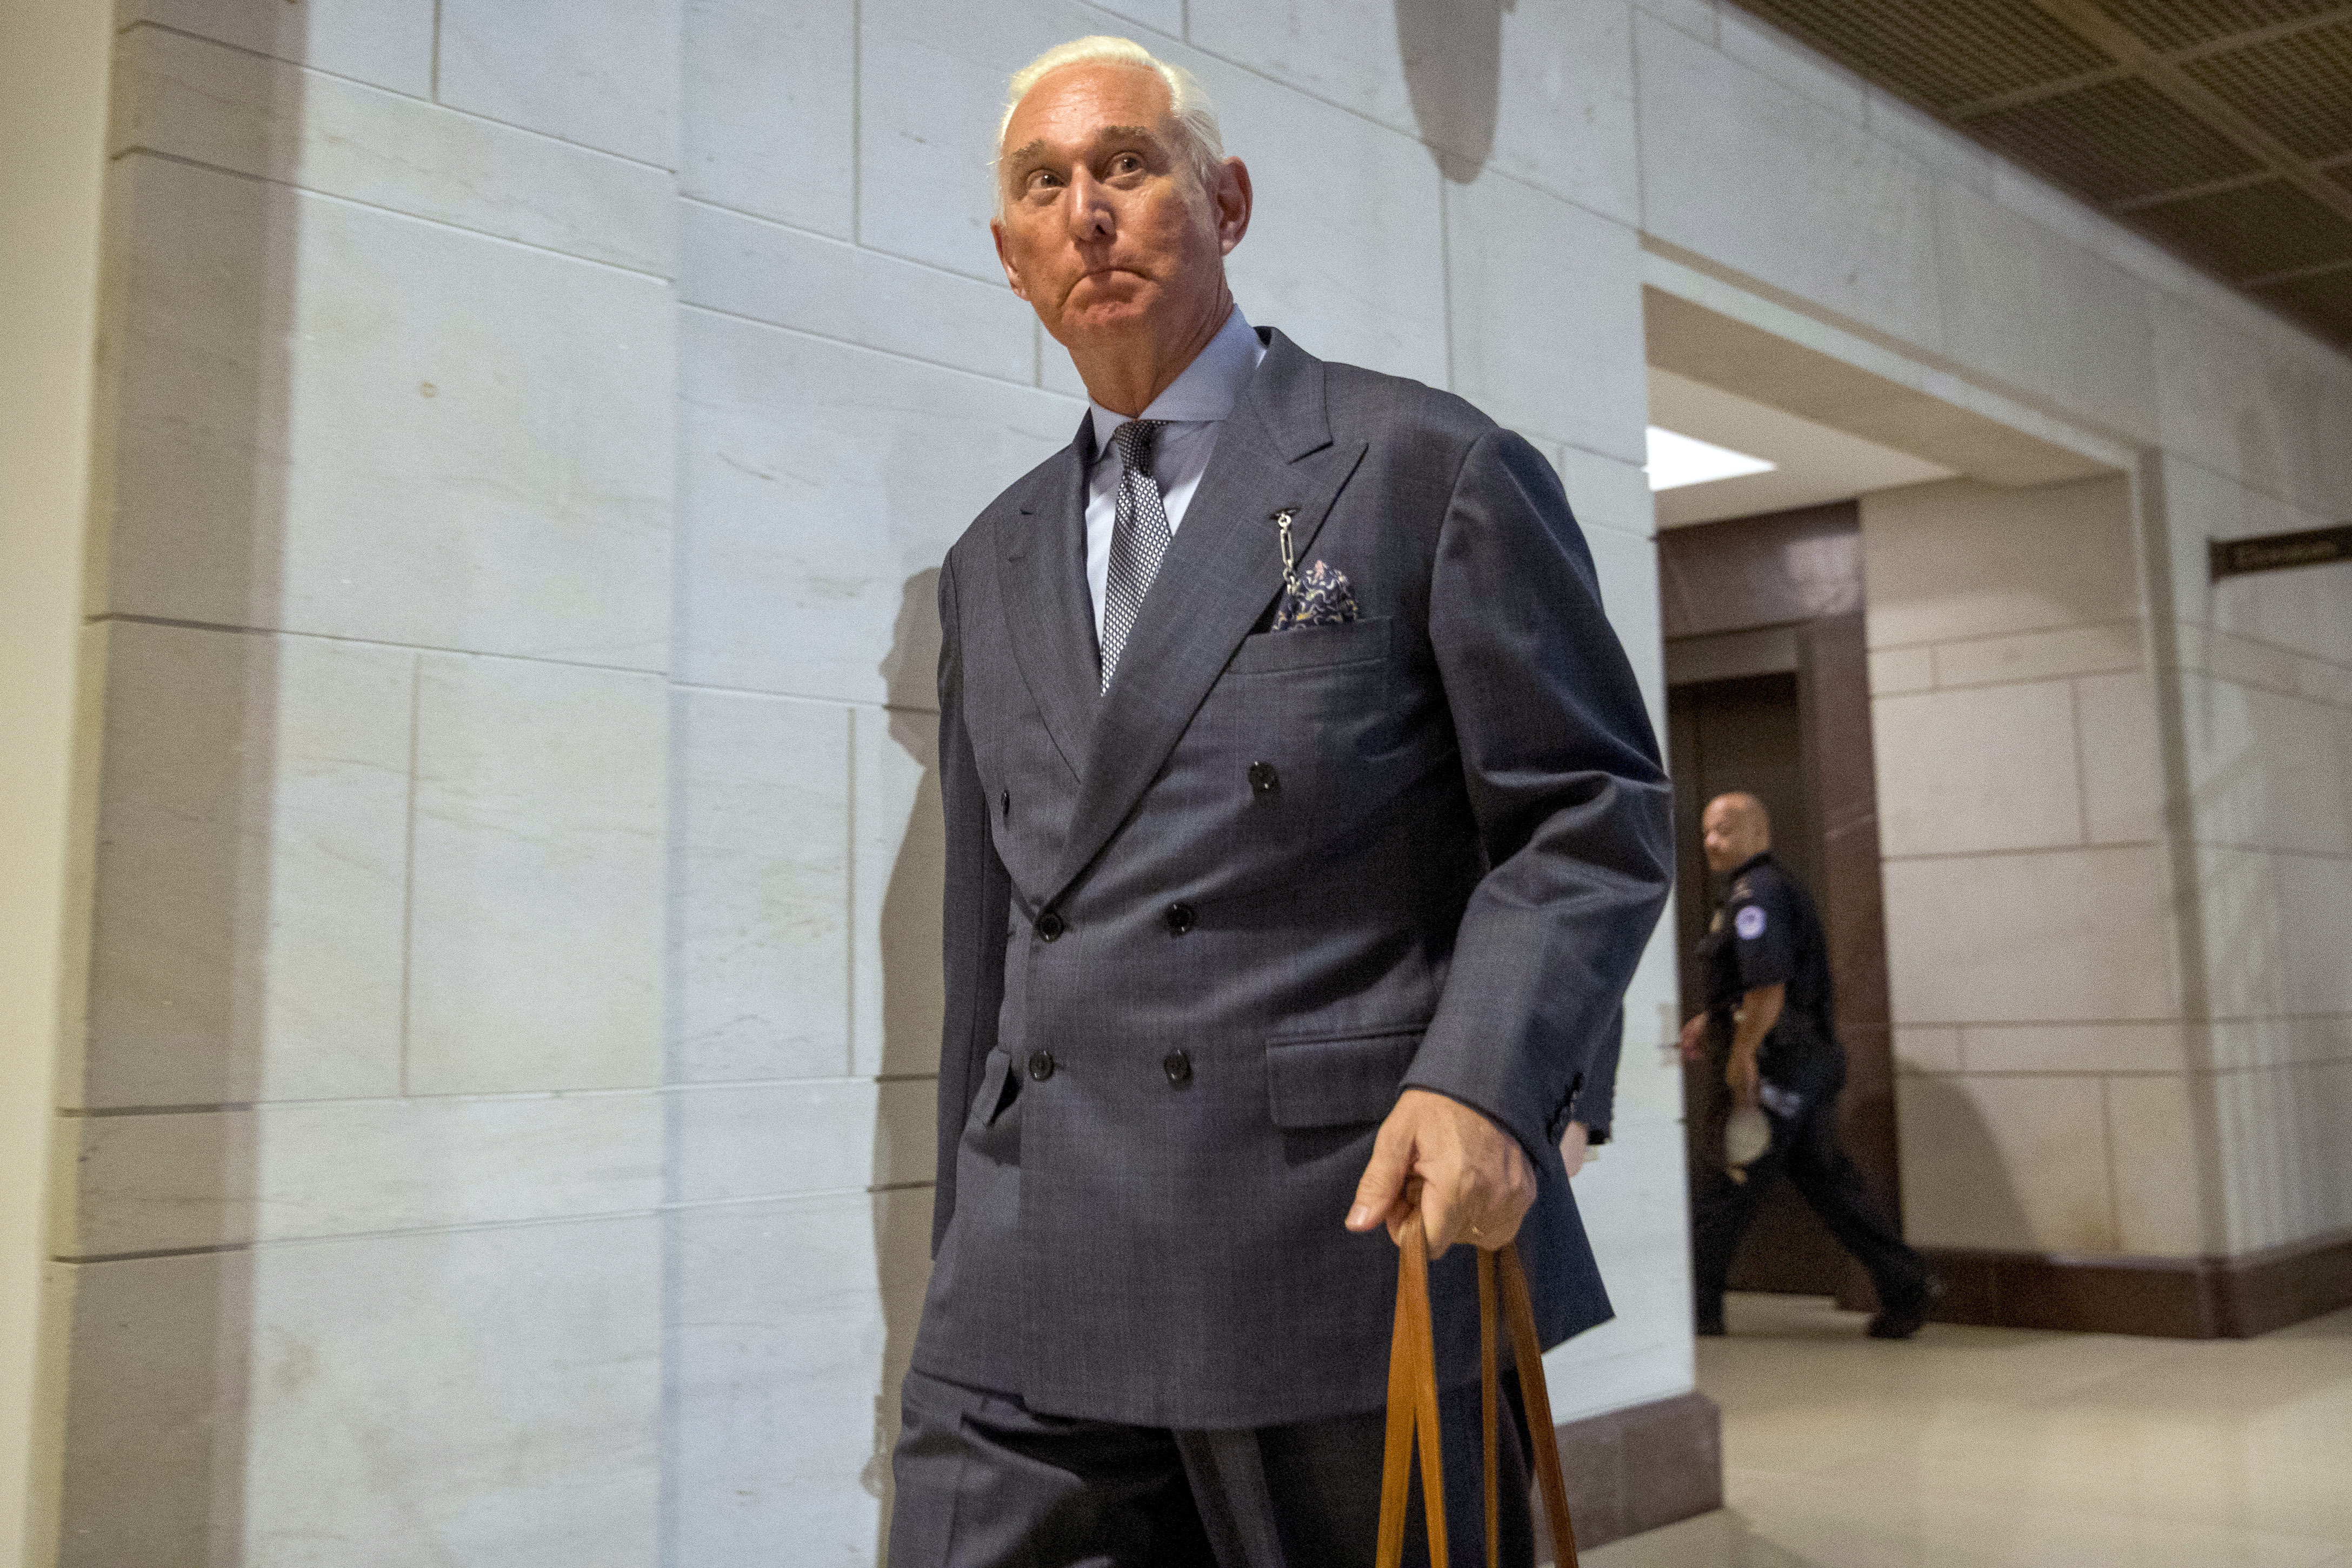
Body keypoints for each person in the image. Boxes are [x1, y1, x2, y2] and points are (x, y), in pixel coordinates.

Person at [888, 35, 1673, 1568]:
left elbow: (1584, 810)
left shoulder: (1418, 464)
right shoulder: (991, 556)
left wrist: (1496, 1076)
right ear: (1006, 254)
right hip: (1029, 1257)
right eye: (1041, 186)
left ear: (1225, 200)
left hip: (1333, 1235)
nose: (1085, 212)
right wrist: (953, 1239)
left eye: (1125, 164)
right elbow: (985, 947)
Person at [1680, 792, 1938, 1340]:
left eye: (1724, 830)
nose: (1711, 842)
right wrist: (1712, 1018)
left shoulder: (1757, 896)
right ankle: (1907, 1286)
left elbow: (1769, 987)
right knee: (1828, 1185)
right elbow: (1761, 983)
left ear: (1758, 833)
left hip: (1778, 1067)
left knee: (1726, 1187)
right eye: (1706, 831)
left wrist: (1743, 1053)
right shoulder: (1757, 892)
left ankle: (1694, 1314)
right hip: (1802, 1065)